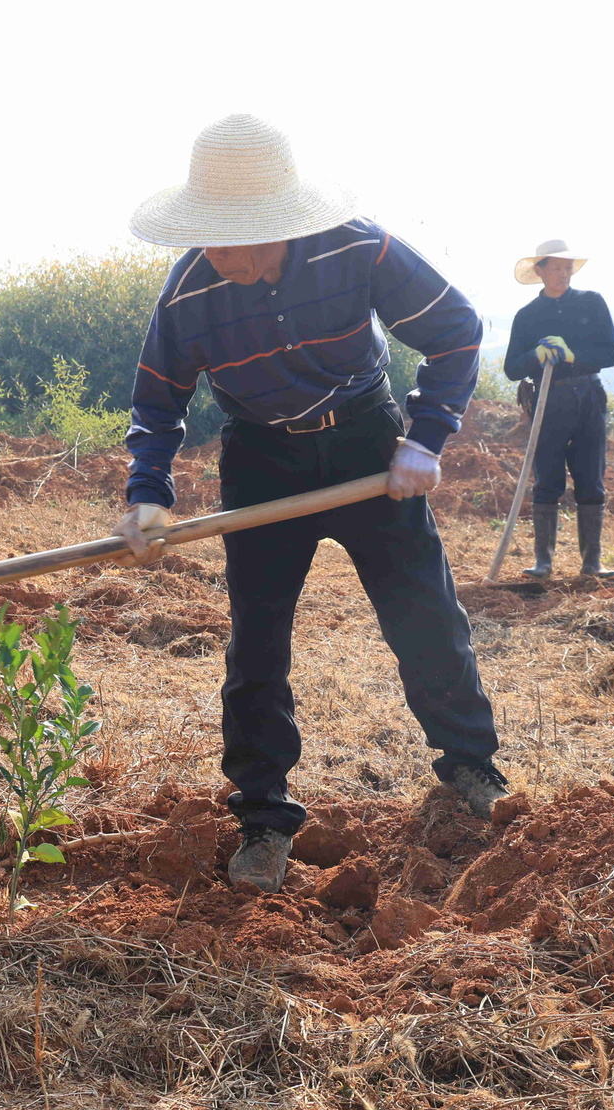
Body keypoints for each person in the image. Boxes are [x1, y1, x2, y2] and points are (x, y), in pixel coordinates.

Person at [114, 113, 506, 896]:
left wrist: (424, 439)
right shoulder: (190, 292)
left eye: (228, 235)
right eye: (204, 233)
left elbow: (456, 331)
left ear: (276, 224)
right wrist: (147, 497)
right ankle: (262, 818)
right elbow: (156, 409)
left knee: (422, 612)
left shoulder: (357, 247)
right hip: (263, 458)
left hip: (367, 441)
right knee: (257, 644)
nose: (212, 252)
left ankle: (471, 768)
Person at [502, 240, 614, 579]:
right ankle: (543, 563)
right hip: (547, 401)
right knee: (547, 479)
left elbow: (610, 354)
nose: (563, 273)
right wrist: (532, 358)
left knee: (590, 479)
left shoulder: (592, 303)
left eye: (568, 267)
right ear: (539, 271)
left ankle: (592, 564)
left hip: (588, 397)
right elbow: (512, 369)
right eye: (556, 267)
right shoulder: (527, 317)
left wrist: (572, 355)